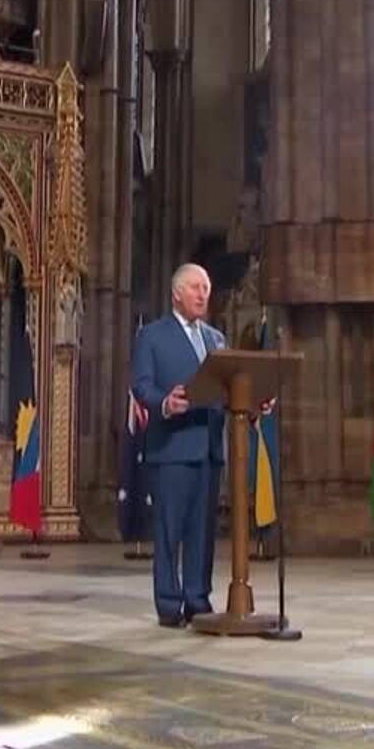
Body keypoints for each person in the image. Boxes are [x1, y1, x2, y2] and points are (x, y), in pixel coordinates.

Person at [130, 262, 226, 627]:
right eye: (196, 287)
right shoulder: (153, 336)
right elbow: (142, 384)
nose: (203, 294)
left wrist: (253, 404)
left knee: (202, 533)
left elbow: (231, 386)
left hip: (209, 449)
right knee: (170, 530)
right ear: (177, 293)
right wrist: (164, 404)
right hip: (171, 448)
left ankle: (197, 599)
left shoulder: (217, 340)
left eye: (206, 288)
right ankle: (170, 604)